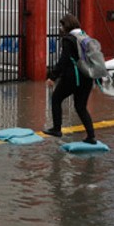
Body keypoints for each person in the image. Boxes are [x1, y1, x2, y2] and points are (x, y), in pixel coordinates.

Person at [43, 14, 97, 144]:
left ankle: (57, 129)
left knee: (56, 98)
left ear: (66, 25)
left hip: (73, 77)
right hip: (87, 76)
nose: (61, 29)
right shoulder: (85, 37)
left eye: (61, 25)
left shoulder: (69, 39)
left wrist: (52, 76)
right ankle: (91, 136)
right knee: (81, 106)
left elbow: (64, 60)